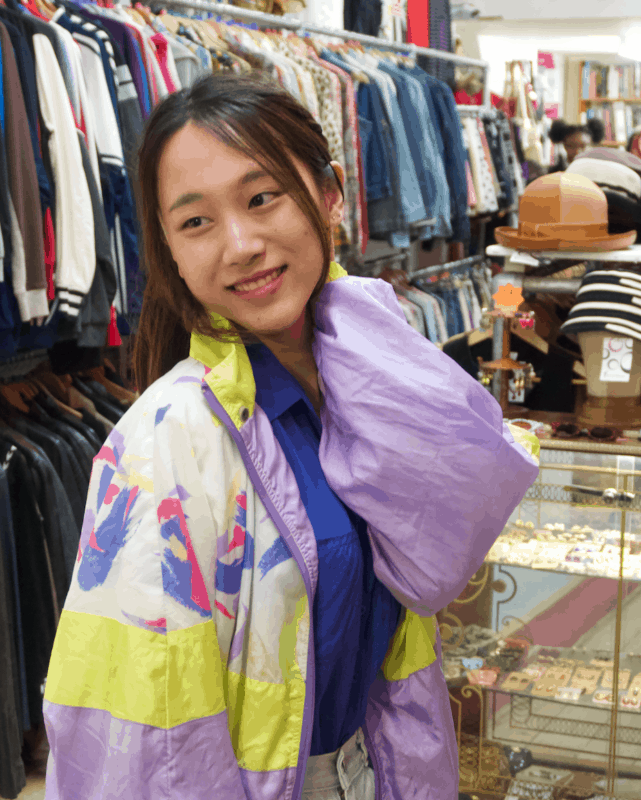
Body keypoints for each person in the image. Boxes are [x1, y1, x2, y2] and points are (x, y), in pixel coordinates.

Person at [41, 73, 539, 800]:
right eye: (196, 222)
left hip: (381, 761)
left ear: (330, 193)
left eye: (261, 197)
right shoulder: (169, 439)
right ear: (170, 253)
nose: (241, 244)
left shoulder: (383, 369)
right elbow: (149, 742)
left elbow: (441, 555)